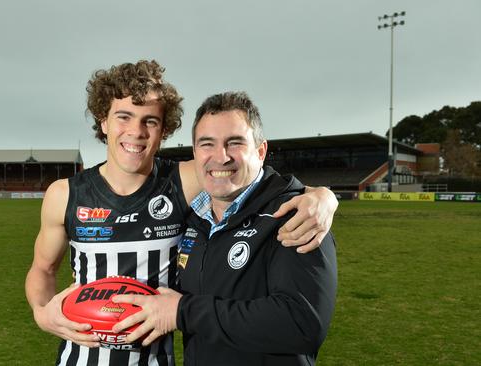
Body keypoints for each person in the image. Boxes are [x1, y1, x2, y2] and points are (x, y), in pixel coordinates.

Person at [25, 61, 338, 366]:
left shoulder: (183, 182)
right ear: (103, 121)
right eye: (124, 117)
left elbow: (253, 177)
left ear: (164, 130)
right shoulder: (64, 195)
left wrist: (321, 197)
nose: (136, 131)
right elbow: (42, 269)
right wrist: (41, 312)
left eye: (150, 121)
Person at [112, 91, 338, 365]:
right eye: (207, 144)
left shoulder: (294, 215)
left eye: (234, 143)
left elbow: (301, 324)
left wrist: (182, 312)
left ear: (261, 151)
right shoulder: (194, 219)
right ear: (195, 153)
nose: (220, 157)